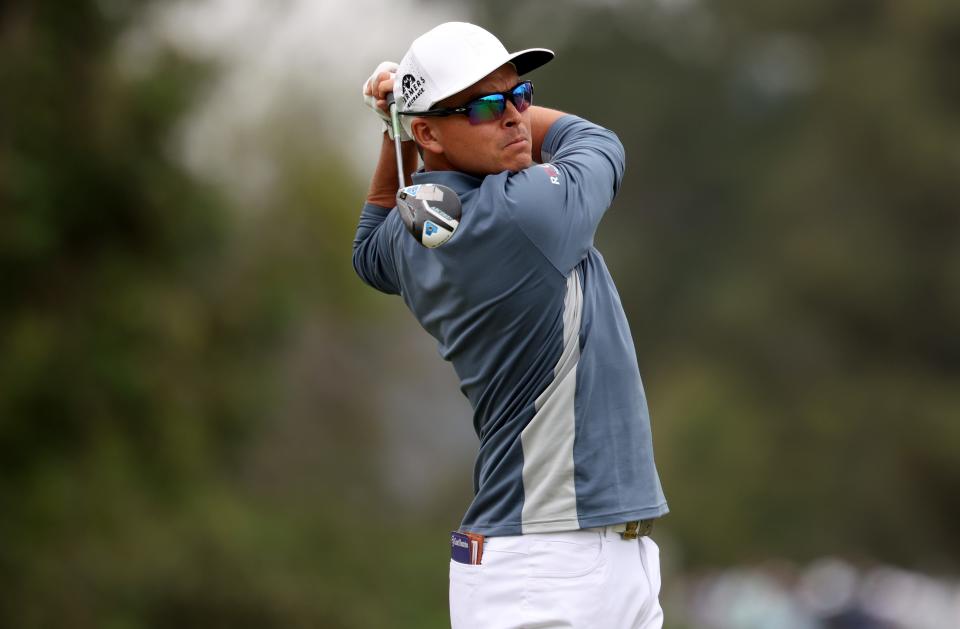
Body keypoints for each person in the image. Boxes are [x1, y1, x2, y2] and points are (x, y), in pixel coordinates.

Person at [354, 22, 668, 629]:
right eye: (486, 106)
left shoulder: (414, 227)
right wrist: (404, 122)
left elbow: (368, 251)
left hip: (580, 555)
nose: (515, 118)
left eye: (520, 96)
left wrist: (403, 128)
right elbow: (595, 140)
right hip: (544, 564)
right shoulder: (525, 212)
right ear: (430, 133)